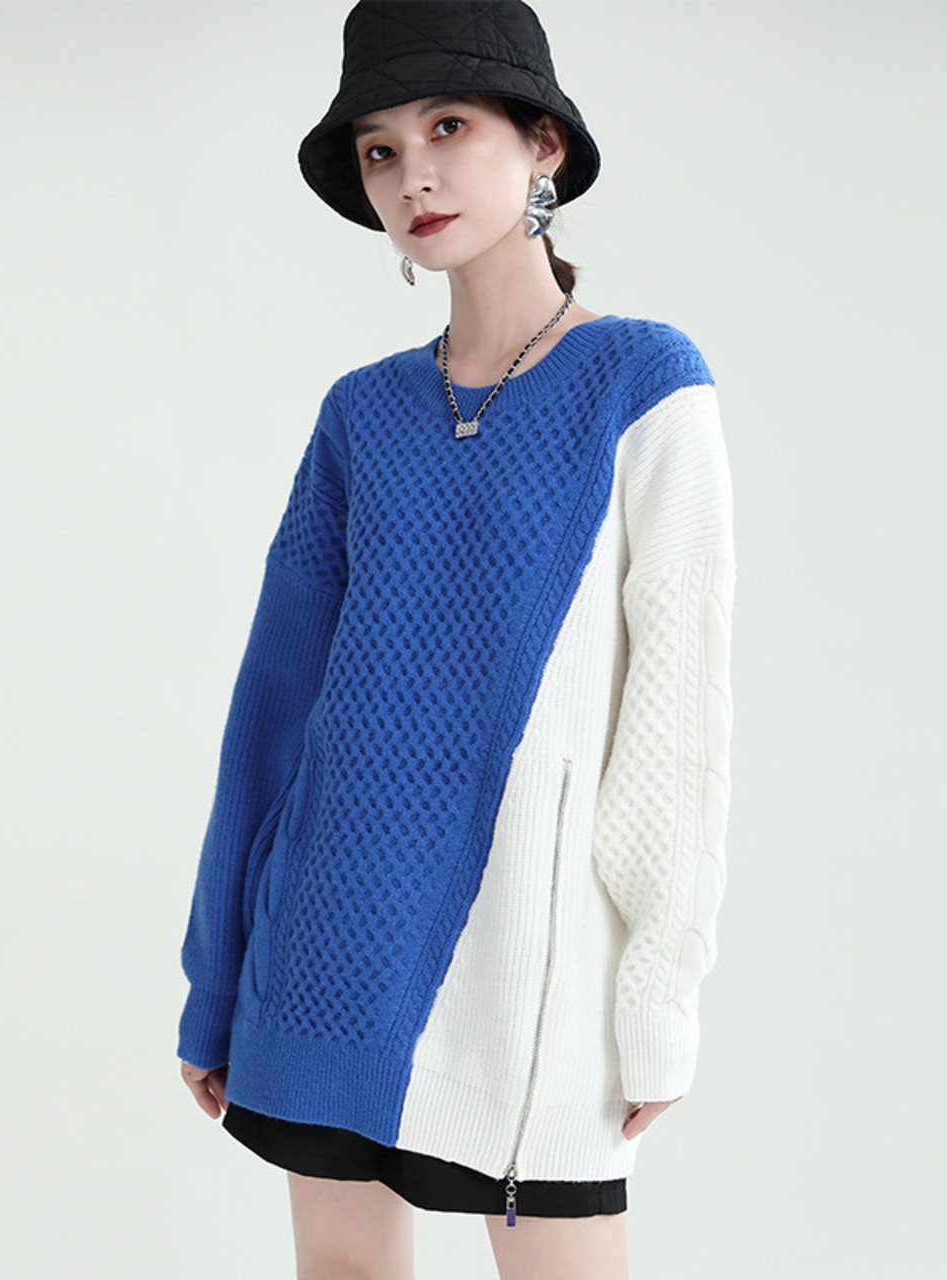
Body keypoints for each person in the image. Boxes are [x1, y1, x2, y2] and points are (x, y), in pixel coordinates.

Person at [176, 3, 737, 1277]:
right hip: (323, 940)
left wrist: (657, 992)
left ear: (542, 146)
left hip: (532, 965)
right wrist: (217, 977)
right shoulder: (360, 412)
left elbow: (676, 718)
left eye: (446, 128)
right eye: (378, 149)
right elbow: (272, 709)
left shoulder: (642, 380)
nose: (410, 174)